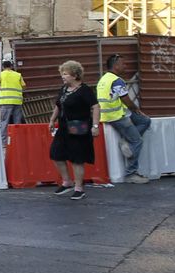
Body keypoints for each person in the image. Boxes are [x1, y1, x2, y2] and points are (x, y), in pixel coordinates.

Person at [48, 59, 100, 201]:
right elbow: (58, 105)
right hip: (63, 128)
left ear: (75, 75)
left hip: (79, 128)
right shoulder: (64, 89)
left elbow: (95, 106)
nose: (62, 76)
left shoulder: (84, 90)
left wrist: (95, 126)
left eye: (65, 74)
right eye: (62, 74)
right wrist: (52, 120)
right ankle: (67, 182)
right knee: (56, 153)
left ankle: (79, 188)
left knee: (77, 159)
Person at [97, 53, 151, 184]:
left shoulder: (103, 79)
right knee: (137, 141)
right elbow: (125, 99)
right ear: (116, 66)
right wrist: (136, 109)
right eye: (123, 64)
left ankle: (126, 141)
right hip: (117, 116)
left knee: (145, 121)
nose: (125, 66)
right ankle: (131, 174)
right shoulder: (117, 81)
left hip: (111, 114)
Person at [0, 59, 26, 128]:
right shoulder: (18, 75)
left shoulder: (1, 74)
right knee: (17, 122)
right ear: (11, 66)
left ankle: (4, 135)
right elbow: (24, 86)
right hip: (17, 101)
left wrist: (1, 87)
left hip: (5, 102)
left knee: (4, 122)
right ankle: (17, 135)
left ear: (3, 67)